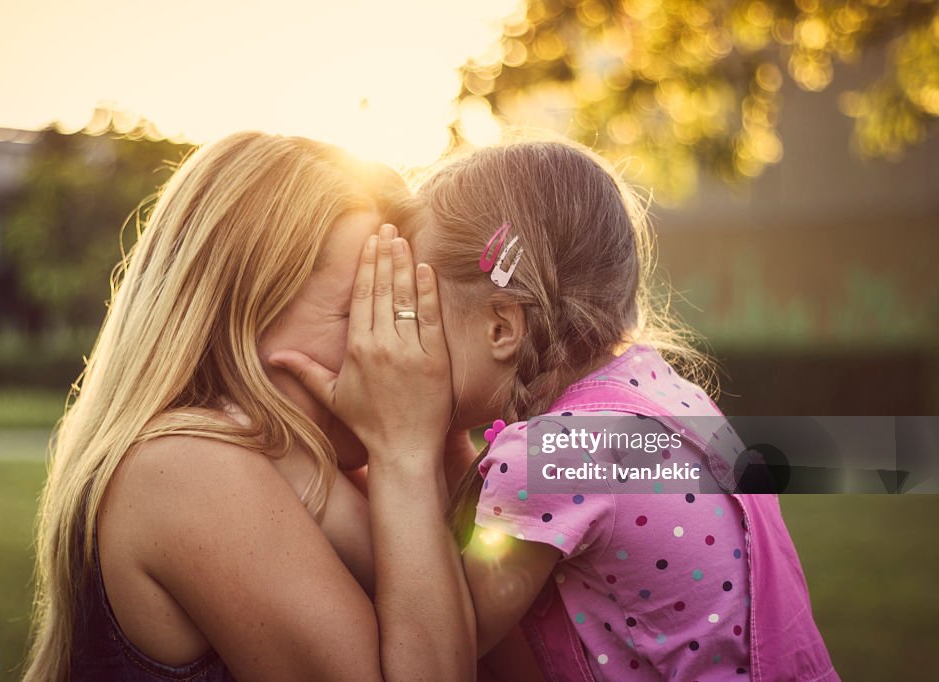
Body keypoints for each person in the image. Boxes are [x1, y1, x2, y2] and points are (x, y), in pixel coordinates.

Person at [274, 139, 839, 681]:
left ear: (501, 327)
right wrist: (440, 429)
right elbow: (454, 552)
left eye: (416, 316)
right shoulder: (660, 399)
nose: (399, 346)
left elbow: (439, 644)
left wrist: (333, 464)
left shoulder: (554, 454)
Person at [23, 132, 476, 681]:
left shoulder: (322, 469)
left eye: (404, 312)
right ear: (240, 316)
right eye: (367, 311)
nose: (398, 352)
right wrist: (406, 455)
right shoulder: (186, 469)